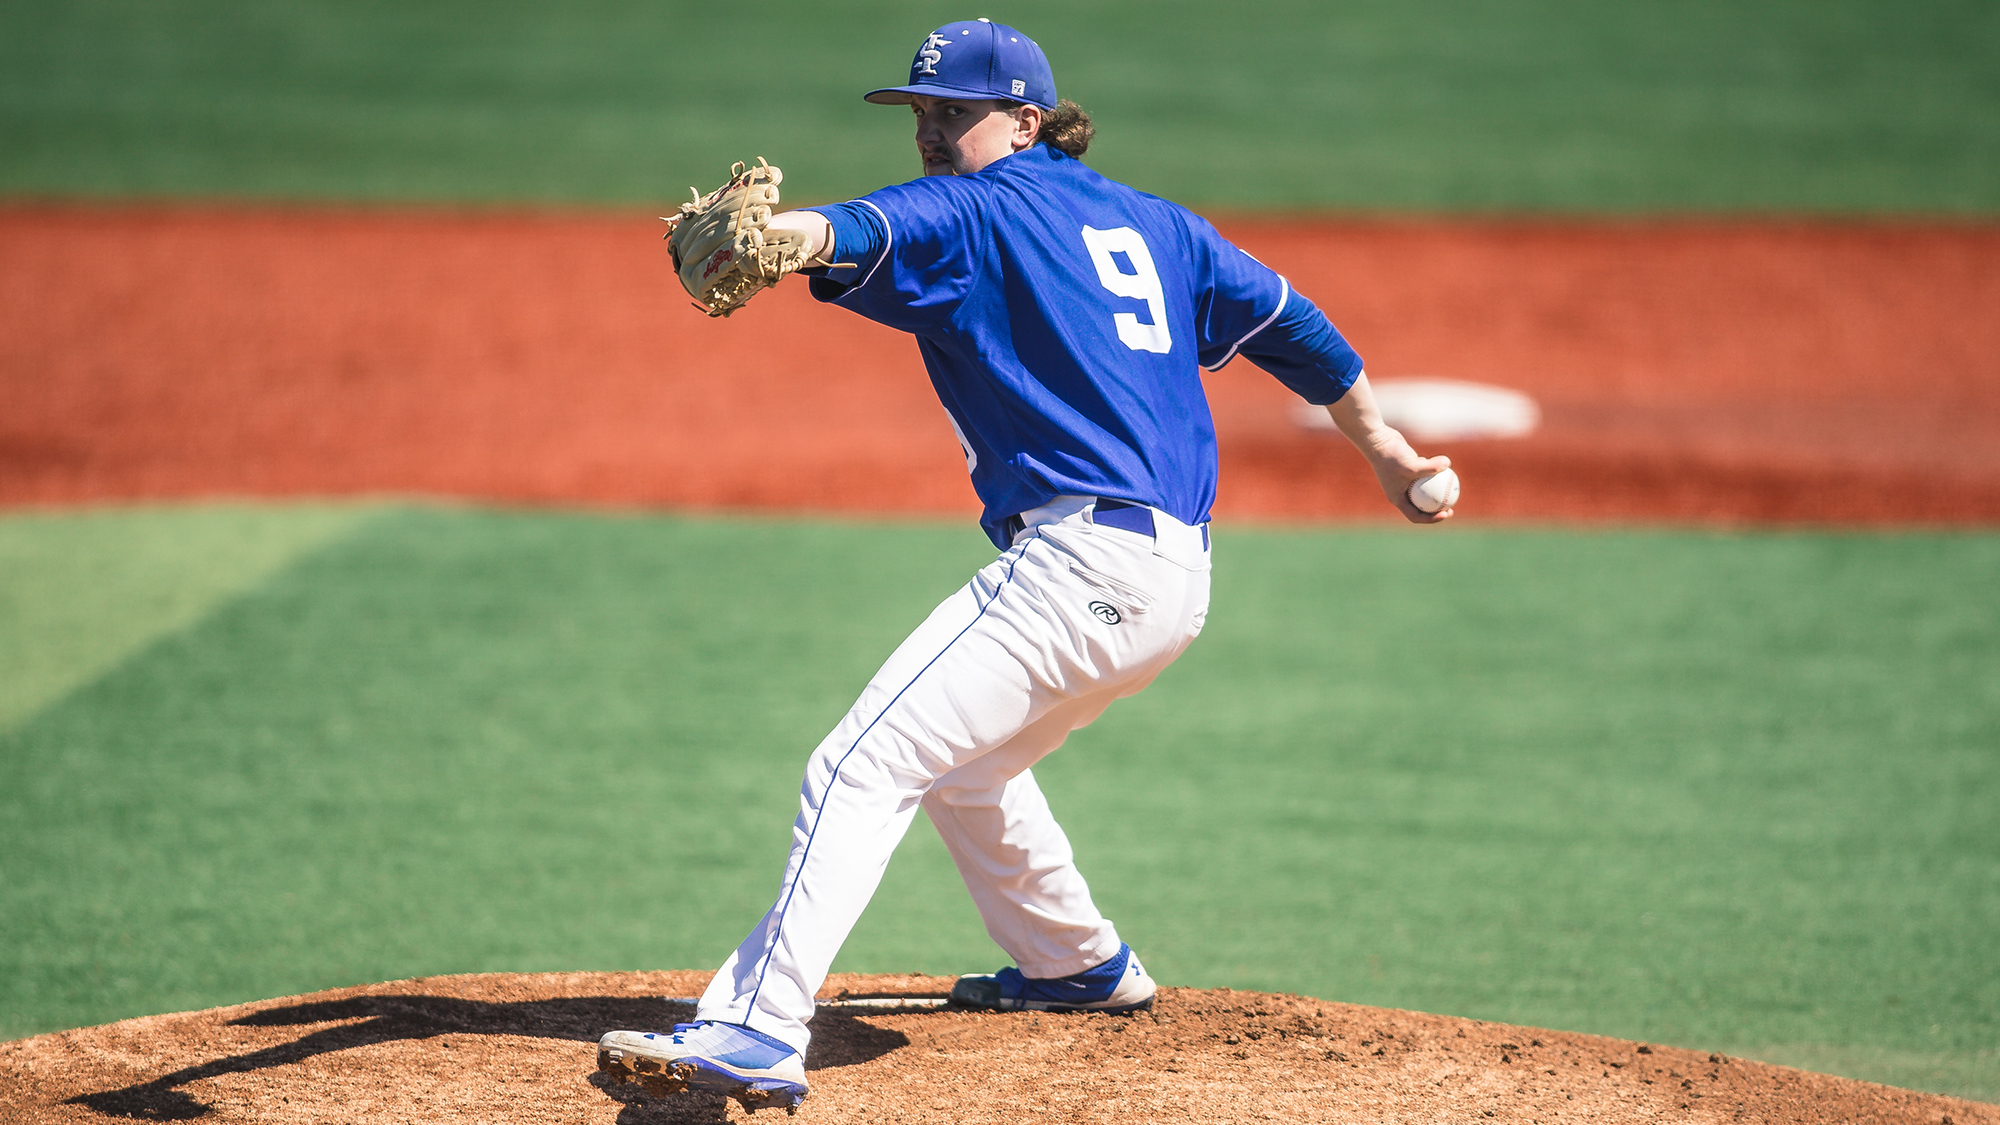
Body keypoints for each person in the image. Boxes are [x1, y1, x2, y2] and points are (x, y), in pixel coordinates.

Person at [597, 18, 1452, 1111]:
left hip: (1078, 566)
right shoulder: (1157, 224)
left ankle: (759, 1028)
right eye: (920, 113)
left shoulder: (973, 207)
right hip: (1168, 587)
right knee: (965, 767)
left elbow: (858, 230)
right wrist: (1381, 448)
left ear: (1025, 119)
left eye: (953, 112)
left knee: (857, 766)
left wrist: (788, 239)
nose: (931, 131)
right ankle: (1075, 964)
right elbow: (1296, 325)